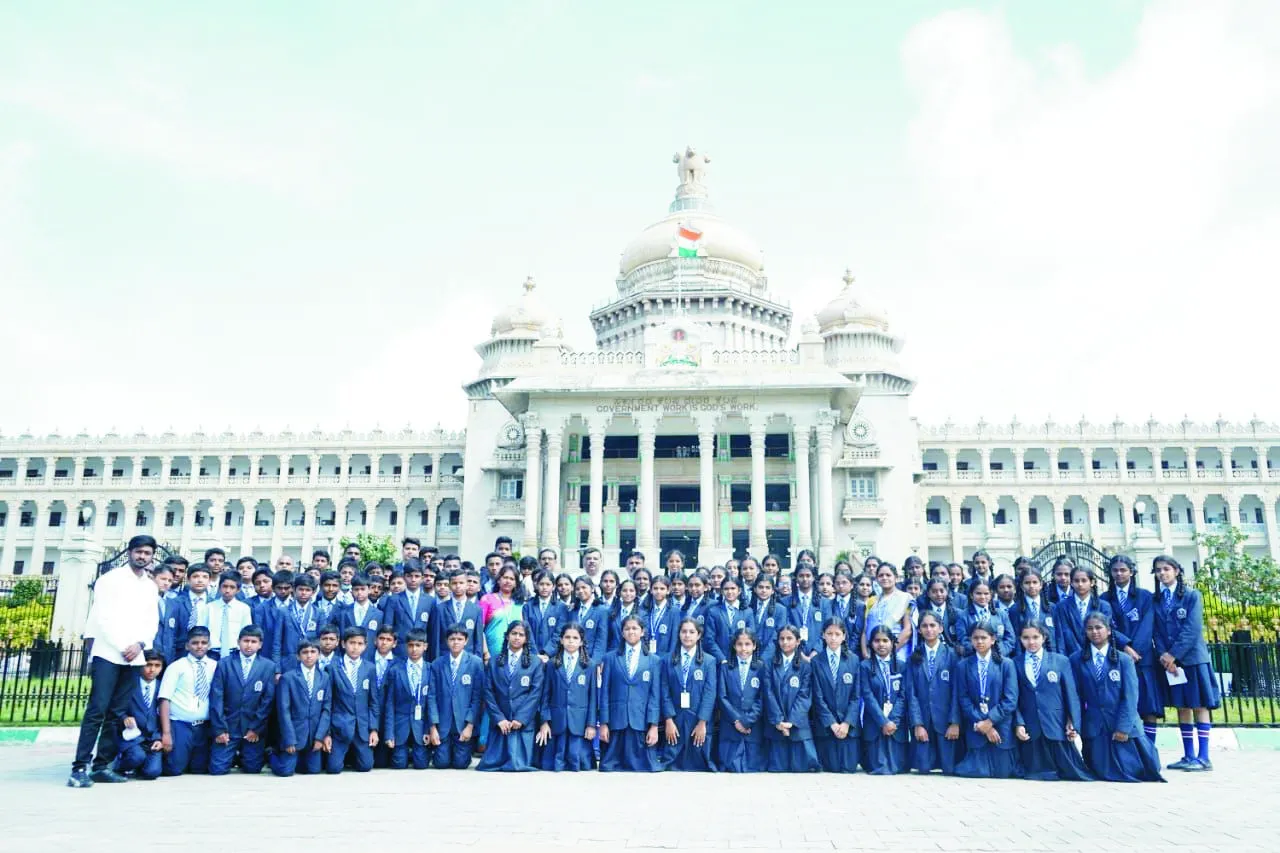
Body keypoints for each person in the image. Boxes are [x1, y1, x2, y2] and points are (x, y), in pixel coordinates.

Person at [70, 534, 161, 788]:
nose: (142, 556)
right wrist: (124, 646)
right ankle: (79, 767)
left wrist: (140, 644)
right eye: (138, 552)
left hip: (135, 656)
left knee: (116, 713)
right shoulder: (110, 580)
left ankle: (101, 766)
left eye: (147, 553)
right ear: (130, 552)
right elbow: (102, 618)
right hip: (109, 653)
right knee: (97, 711)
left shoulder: (150, 586)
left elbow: (151, 620)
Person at [1075, 613, 1165, 782]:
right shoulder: (1077, 659)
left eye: (1099, 627)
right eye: (1090, 628)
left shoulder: (1124, 660)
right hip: (1095, 729)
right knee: (1099, 772)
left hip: (1122, 725)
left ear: (1109, 631)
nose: (1094, 632)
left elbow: (1130, 697)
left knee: (1134, 771)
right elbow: (1076, 696)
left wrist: (1123, 727)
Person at [1153, 555, 1220, 771]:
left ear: (1177, 571)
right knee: (1182, 706)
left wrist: (1174, 654)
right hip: (1171, 663)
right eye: (1158, 570)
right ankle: (1188, 755)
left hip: (1192, 660)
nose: (1162, 573)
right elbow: (1157, 630)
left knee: (1199, 704)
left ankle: (1204, 757)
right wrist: (1164, 655)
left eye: (1166, 569)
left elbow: (1192, 629)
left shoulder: (1192, 596)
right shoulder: (1157, 599)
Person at [1012, 619, 1092, 781]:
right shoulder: (1015, 663)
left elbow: (1071, 694)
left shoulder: (1060, 661)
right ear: (1020, 639)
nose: (1031, 642)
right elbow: (1014, 698)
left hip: (1056, 724)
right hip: (1030, 726)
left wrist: (1072, 721)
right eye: (1026, 638)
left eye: (1035, 637)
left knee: (1071, 773)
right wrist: (1018, 723)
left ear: (1044, 637)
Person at [1103, 555, 1161, 745]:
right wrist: (1125, 647)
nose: (1119, 574)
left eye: (1123, 570)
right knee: (1123, 704)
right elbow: (1106, 627)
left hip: (1143, 658)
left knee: (1148, 706)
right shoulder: (1104, 599)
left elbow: (1148, 625)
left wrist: (1136, 649)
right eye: (1115, 570)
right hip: (1116, 656)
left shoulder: (1145, 596)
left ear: (1132, 571)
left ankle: (1149, 748)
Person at [208, 624, 276, 775]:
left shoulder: (268, 666)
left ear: (260, 645)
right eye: (245, 641)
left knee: (252, 769)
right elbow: (216, 698)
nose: (249, 645)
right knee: (217, 769)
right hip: (228, 727)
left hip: (252, 728)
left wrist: (256, 728)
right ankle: (232, 755)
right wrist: (220, 729)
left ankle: (252, 754)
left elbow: (267, 701)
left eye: (253, 641)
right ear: (238, 642)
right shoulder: (224, 664)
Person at [954, 622, 1019, 779]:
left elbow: (1010, 699)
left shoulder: (1006, 664)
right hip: (976, 726)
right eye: (975, 638)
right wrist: (981, 723)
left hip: (1000, 726)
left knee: (1002, 773)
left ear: (993, 639)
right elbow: (963, 698)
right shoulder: (963, 665)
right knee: (975, 772)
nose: (980, 642)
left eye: (984, 637)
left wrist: (990, 721)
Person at [598, 615, 662, 772]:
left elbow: (655, 695)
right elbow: (604, 692)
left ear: (642, 632)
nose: (631, 632)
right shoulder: (610, 658)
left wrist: (653, 725)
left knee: (646, 768)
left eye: (635, 628)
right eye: (627, 629)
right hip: (617, 721)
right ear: (621, 633)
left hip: (640, 722)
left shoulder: (653, 660)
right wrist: (604, 723)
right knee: (610, 767)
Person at [478, 621, 544, 771]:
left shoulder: (535, 662)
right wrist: (499, 718)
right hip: (501, 722)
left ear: (526, 639)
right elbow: (488, 692)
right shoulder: (494, 661)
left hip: (523, 722)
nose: (517, 637)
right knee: (493, 763)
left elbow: (535, 694)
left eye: (521, 635)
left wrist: (521, 718)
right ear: (507, 636)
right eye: (513, 634)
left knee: (518, 763)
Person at [906, 611, 962, 775]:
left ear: (941, 628)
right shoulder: (914, 657)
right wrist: (917, 724)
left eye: (932, 625)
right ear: (919, 630)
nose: (929, 629)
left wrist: (955, 722)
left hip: (945, 721)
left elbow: (957, 692)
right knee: (923, 769)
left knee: (949, 769)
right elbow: (912, 694)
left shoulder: (952, 655)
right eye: (924, 626)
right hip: (924, 720)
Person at [537, 623, 597, 771]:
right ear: (561, 640)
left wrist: (591, 724)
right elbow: (545, 695)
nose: (571, 641)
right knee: (555, 761)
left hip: (579, 721)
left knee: (578, 760)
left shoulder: (589, 665)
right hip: (557, 720)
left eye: (575, 638)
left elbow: (593, 697)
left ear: (581, 641)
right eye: (567, 637)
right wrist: (544, 721)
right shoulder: (552, 664)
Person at [660, 619, 717, 771]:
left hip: (697, 717)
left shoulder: (709, 661)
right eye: (684, 631)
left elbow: (709, 693)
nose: (687, 636)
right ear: (678, 634)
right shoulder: (667, 660)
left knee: (700, 761)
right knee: (672, 761)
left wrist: (702, 721)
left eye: (692, 632)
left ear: (699, 635)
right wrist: (668, 720)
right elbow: (664, 691)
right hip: (676, 716)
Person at [269, 638, 332, 777]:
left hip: (314, 734)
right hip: (295, 733)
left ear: (319, 654)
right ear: (298, 656)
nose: (309, 655)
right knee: (285, 771)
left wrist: (320, 737)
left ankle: (302, 758)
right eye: (305, 652)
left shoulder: (325, 677)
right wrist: (289, 739)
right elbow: (283, 711)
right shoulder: (288, 678)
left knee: (313, 770)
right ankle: (272, 755)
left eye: (313, 652)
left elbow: (326, 709)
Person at [158, 626, 214, 776]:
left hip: (204, 728)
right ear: (187, 645)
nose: (199, 646)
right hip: (180, 725)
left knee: (200, 770)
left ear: (209, 645)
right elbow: (164, 699)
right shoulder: (176, 667)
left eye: (204, 642)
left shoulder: (215, 667)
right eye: (195, 643)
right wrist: (166, 733)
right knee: (174, 770)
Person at [429, 622, 485, 769]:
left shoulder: (475, 663)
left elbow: (477, 697)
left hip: (463, 723)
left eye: (460, 639)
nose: (456, 642)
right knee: (441, 763)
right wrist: (433, 726)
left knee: (460, 764)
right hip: (443, 723)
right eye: (452, 639)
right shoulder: (437, 664)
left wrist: (470, 725)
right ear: (447, 641)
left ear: (466, 641)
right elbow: (431, 696)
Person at [763, 624, 818, 772]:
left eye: (789, 638)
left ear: (798, 641)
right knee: (777, 767)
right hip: (776, 724)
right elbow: (768, 693)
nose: (785, 642)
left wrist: (791, 722)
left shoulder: (806, 666)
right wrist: (779, 721)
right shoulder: (769, 664)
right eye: (782, 639)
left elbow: (805, 696)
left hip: (797, 724)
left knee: (801, 768)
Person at [326, 627, 382, 773]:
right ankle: (344, 754)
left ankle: (352, 756)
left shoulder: (369, 668)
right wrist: (327, 733)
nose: (355, 647)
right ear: (343, 644)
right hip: (340, 725)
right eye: (352, 643)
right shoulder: (333, 668)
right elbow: (328, 702)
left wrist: (373, 729)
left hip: (361, 727)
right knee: (333, 768)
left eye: (359, 643)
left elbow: (373, 701)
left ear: (365, 646)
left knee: (366, 766)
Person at [811, 617, 861, 773]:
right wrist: (832, 723)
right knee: (830, 767)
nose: (833, 638)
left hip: (848, 726)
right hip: (827, 727)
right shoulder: (816, 661)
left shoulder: (853, 660)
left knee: (848, 767)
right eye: (829, 633)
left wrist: (846, 723)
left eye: (837, 634)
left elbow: (856, 696)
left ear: (844, 636)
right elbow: (818, 698)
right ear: (823, 635)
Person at [860, 625, 907, 774]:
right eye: (877, 641)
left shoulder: (902, 666)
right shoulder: (865, 666)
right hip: (875, 723)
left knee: (898, 766)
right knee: (877, 766)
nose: (881, 644)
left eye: (885, 640)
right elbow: (867, 696)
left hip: (896, 724)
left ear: (892, 643)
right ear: (871, 644)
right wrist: (883, 721)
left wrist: (892, 720)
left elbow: (903, 696)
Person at [716, 629, 766, 772]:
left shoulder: (761, 668)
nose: (743, 648)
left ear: (754, 646)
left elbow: (762, 698)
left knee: (752, 766)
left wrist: (747, 720)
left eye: (747, 644)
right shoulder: (726, 667)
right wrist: (736, 720)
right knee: (730, 766)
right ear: (734, 646)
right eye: (739, 644)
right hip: (731, 724)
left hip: (752, 726)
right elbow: (722, 696)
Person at [112, 648, 165, 780]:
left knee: (152, 772)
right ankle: (120, 764)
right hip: (132, 736)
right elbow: (115, 707)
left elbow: (165, 717)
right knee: (136, 756)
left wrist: (159, 738)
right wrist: (124, 717)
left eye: (157, 666)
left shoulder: (163, 687)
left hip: (152, 738)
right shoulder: (129, 684)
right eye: (148, 665)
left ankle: (139, 766)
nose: (152, 670)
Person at [384, 629, 433, 770]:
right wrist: (389, 734)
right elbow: (390, 704)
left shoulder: (430, 669)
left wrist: (428, 730)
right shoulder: (396, 670)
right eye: (411, 645)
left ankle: (418, 752)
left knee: (421, 765)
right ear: (406, 646)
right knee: (399, 764)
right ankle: (404, 752)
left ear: (425, 646)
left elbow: (431, 703)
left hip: (421, 725)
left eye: (418, 645)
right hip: (400, 725)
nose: (414, 649)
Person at [1053, 567, 1113, 659]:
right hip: (1071, 656)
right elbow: (1062, 635)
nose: (1080, 584)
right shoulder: (1062, 606)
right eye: (1076, 581)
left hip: (1097, 655)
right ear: (1071, 583)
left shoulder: (1103, 606)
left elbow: (1105, 634)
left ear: (1092, 582)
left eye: (1084, 580)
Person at [434, 570, 485, 662]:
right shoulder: (440, 609)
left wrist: (477, 661)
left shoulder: (476, 609)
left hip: (468, 659)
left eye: (461, 583)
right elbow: (436, 638)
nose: (458, 586)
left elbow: (478, 640)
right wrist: (437, 660)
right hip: (445, 657)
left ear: (466, 585)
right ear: (449, 586)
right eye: (454, 583)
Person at [165, 563, 212, 663]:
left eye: (204, 577)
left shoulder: (214, 603)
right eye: (195, 576)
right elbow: (171, 634)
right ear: (188, 579)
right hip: (181, 653)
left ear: (209, 581)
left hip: (208, 654)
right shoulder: (176, 602)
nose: (200, 580)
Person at [703, 576, 755, 663]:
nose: (730, 592)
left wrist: (743, 655)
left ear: (739, 591)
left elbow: (751, 637)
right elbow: (709, 639)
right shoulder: (714, 611)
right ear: (722, 591)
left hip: (742, 659)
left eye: (733, 588)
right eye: (726, 589)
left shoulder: (747, 612)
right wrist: (722, 658)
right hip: (720, 661)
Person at [208, 571, 254, 661]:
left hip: (234, 653)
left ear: (238, 590)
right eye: (224, 586)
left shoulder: (244, 609)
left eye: (232, 587)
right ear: (219, 587)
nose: (227, 590)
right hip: (212, 652)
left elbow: (246, 632)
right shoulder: (209, 607)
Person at [644, 575, 680, 657]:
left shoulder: (674, 611)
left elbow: (674, 639)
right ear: (651, 590)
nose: (658, 591)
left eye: (662, 589)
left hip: (665, 656)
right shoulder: (647, 609)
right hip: (647, 655)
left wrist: (670, 657)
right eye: (655, 588)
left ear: (668, 591)